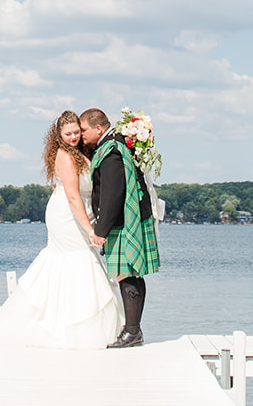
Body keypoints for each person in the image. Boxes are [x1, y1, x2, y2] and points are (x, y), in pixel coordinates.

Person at [0, 111, 123, 349]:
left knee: (75, 263)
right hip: (67, 215)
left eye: (77, 132)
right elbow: (73, 196)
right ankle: (66, 326)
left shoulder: (81, 153)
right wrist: (90, 230)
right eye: (68, 134)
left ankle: (72, 322)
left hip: (81, 212)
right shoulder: (65, 156)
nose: (74, 137)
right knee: (77, 261)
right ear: (58, 135)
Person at [81, 106, 160, 348]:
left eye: (84, 130)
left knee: (127, 275)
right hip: (128, 218)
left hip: (124, 222)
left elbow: (113, 195)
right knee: (133, 274)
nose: (82, 135)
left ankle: (132, 332)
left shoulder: (111, 153)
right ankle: (134, 330)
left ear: (98, 128)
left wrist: (100, 231)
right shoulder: (117, 143)